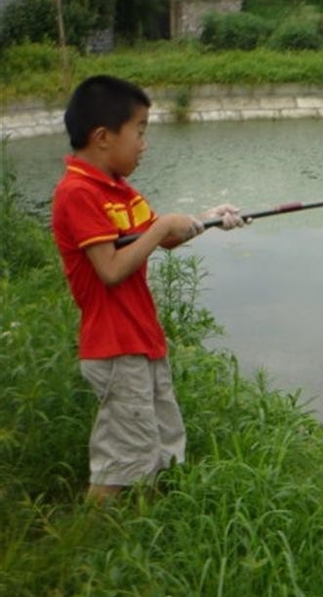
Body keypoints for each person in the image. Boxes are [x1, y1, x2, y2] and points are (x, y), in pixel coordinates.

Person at [51, 75, 246, 503]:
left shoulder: (119, 191)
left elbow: (163, 238)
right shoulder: (78, 192)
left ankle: (146, 531)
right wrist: (161, 227)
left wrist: (209, 219)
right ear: (103, 137)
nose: (144, 144)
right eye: (139, 132)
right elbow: (112, 268)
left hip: (141, 341)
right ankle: (87, 543)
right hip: (114, 346)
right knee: (123, 459)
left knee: (161, 443)